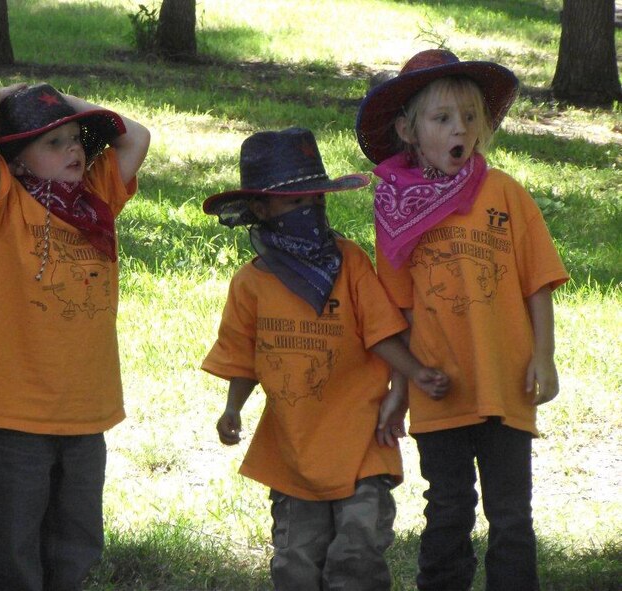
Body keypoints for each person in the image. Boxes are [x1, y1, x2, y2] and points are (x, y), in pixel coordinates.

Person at [355, 49, 569, 591]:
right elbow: (399, 310)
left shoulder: (506, 196)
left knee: (512, 515)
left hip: (506, 381)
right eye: (443, 118)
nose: (461, 130)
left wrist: (544, 356)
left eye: (471, 117)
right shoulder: (397, 209)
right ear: (409, 129)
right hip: (439, 388)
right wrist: (401, 385)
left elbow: (537, 282)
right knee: (448, 509)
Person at [201, 127, 450, 591]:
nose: (310, 212)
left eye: (316, 201)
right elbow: (241, 358)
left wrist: (414, 374)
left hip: (361, 442)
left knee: (356, 554)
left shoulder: (351, 262)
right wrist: (232, 407)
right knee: (296, 563)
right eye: (295, 203)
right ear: (260, 209)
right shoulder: (251, 283)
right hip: (293, 449)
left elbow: (381, 332)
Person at [0, 82, 150, 588]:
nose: (73, 150)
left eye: (75, 140)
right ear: (17, 161)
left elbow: (135, 137)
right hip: (17, 413)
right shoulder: (2, 207)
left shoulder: (96, 198)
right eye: (52, 142)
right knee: (12, 551)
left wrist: (61, 102)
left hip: (86, 411)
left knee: (76, 545)